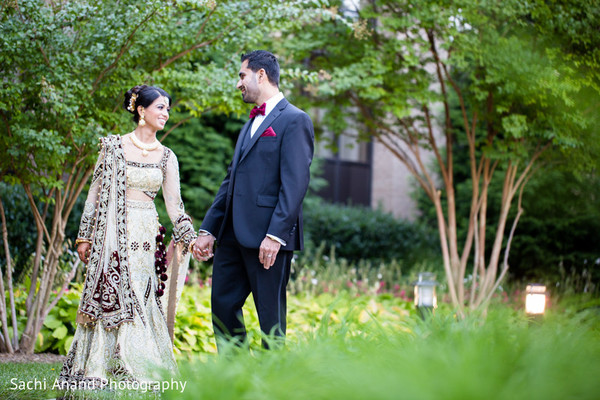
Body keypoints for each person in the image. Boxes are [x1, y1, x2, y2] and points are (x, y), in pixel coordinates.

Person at [57, 85, 196, 391]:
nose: (166, 114)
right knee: (113, 288)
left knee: (140, 291)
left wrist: (188, 234)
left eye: (168, 109)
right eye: (160, 107)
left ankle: (139, 363)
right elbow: (94, 193)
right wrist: (85, 235)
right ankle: (98, 366)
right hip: (111, 233)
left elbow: (174, 205)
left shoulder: (167, 156)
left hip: (146, 232)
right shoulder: (113, 148)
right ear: (140, 110)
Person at [192, 50, 314, 349]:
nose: (239, 84)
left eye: (242, 75)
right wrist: (209, 229)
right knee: (222, 308)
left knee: (270, 321)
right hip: (232, 236)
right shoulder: (250, 124)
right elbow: (230, 181)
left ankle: (272, 385)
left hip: (267, 240)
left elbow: (295, 185)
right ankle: (234, 378)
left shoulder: (296, 120)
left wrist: (276, 235)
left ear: (261, 74)